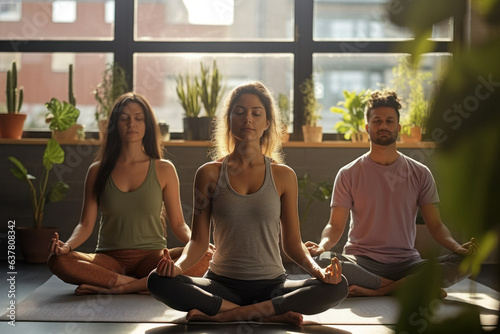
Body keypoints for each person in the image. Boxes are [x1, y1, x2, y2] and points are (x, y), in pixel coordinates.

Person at [147, 81, 348, 326]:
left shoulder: (284, 176)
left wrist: (319, 272)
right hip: (220, 284)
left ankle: (228, 315)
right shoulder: (208, 174)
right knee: (157, 280)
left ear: (267, 123)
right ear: (229, 120)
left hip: (272, 286)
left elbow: (293, 244)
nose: (247, 119)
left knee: (338, 286)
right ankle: (268, 314)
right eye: (239, 112)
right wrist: (177, 269)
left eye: (256, 113)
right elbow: (198, 241)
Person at [305, 89, 479, 297]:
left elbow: (436, 226)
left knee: (468, 261)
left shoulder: (420, 172)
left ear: (399, 127)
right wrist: (322, 246)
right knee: (324, 261)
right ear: (367, 127)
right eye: (377, 121)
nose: (383, 126)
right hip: (361, 262)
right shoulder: (348, 173)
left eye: (389, 121)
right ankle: (409, 287)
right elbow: (335, 225)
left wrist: (458, 248)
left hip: (408, 263)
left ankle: (380, 290)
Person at [48, 92, 210, 295]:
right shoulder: (97, 170)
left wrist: (199, 245)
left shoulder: (164, 169)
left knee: (207, 256)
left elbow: (178, 225)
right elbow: (85, 225)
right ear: (115, 125)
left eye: (138, 118)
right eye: (124, 118)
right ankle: (141, 284)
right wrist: (67, 247)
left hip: (153, 259)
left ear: (147, 125)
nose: (131, 123)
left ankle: (118, 285)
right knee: (58, 260)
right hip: (109, 260)